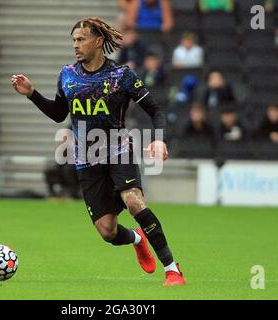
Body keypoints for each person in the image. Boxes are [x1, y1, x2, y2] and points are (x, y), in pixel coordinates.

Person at [11, 17, 185, 286]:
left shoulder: (122, 75)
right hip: (86, 160)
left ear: (98, 41)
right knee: (107, 231)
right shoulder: (67, 75)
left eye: (80, 39)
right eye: (73, 40)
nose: (75, 45)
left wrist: (159, 139)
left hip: (119, 151)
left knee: (134, 201)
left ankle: (172, 269)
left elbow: (156, 110)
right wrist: (32, 93)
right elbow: (59, 115)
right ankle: (138, 238)